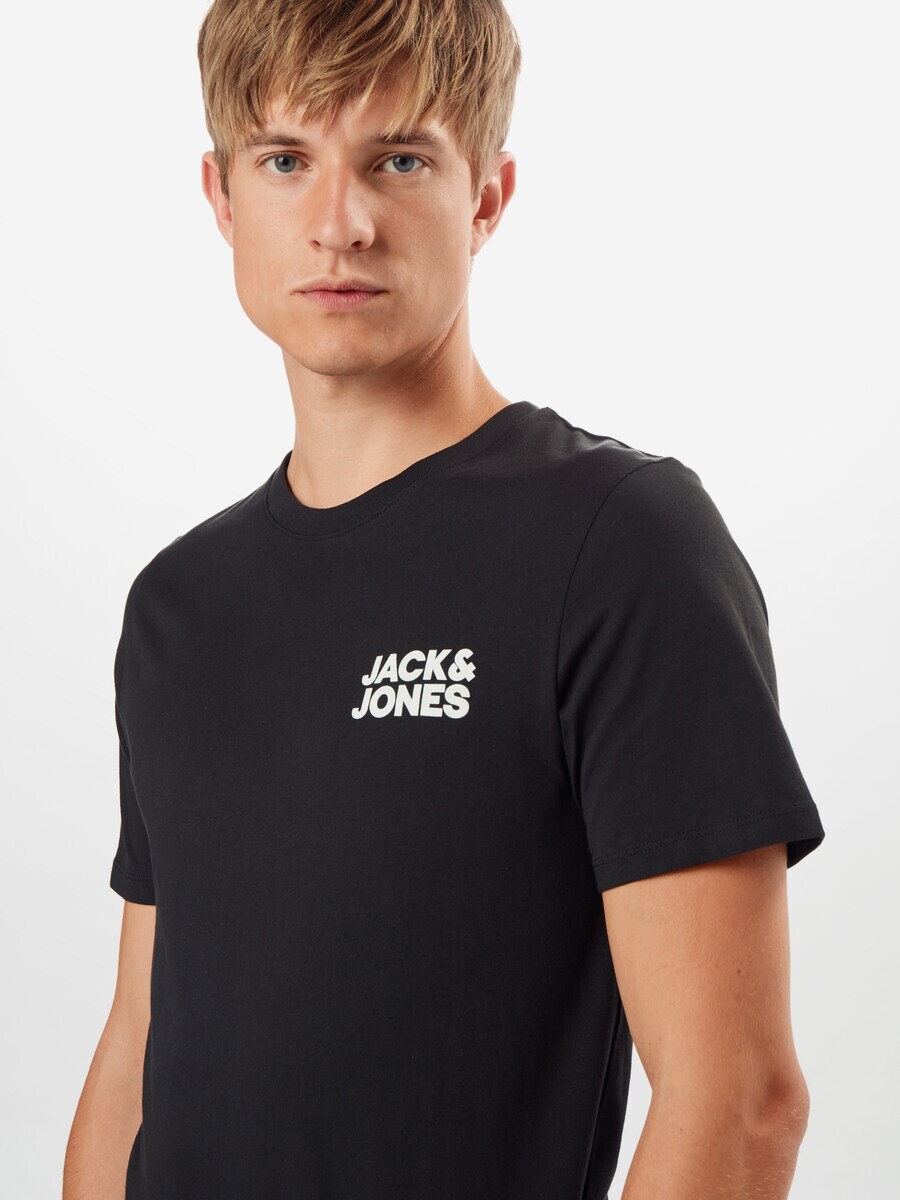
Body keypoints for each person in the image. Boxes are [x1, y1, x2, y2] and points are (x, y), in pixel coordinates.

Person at [63, 2, 826, 1197]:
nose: (341, 223)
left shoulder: (622, 546)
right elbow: (136, 1047)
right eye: (286, 160)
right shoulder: (179, 606)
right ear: (221, 197)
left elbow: (736, 1099)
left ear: (487, 197)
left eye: (399, 161)